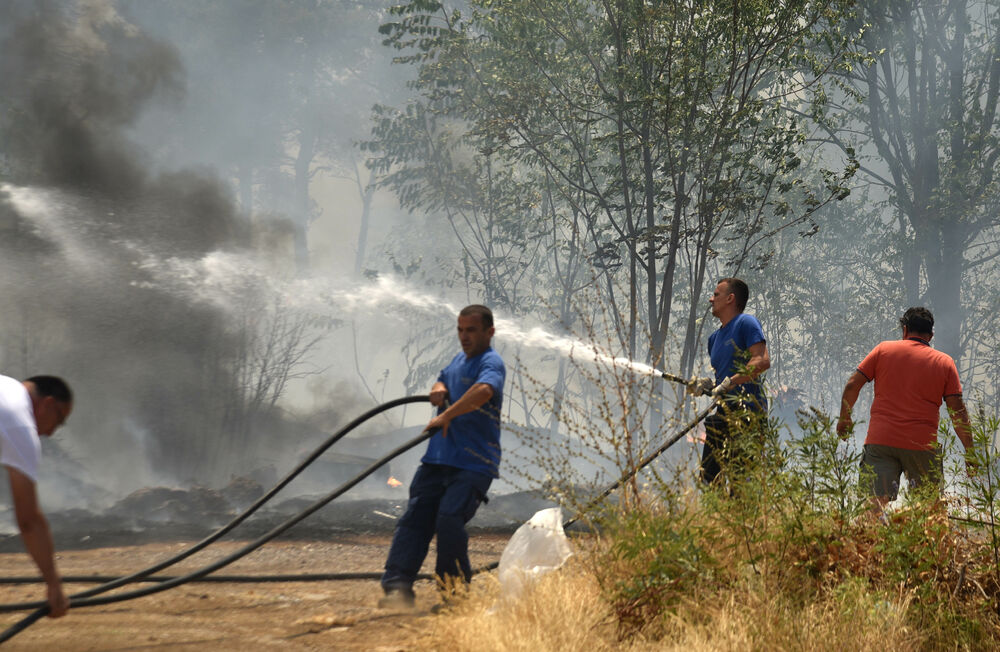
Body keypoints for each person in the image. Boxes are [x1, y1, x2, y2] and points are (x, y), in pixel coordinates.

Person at [379, 305, 506, 609]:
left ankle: (454, 595)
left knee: (449, 520)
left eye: (471, 330)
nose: (464, 336)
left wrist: (446, 414)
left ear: (489, 332)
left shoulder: (492, 362)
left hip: (474, 463)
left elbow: (484, 391)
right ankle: (397, 587)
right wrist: (438, 387)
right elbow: (443, 379)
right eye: (460, 330)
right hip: (437, 460)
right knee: (415, 519)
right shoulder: (457, 361)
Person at [837, 307, 973, 515]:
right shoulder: (944, 363)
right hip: (922, 445)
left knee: (872, 509)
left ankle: (868, 544)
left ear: (905, 329)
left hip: (881, 441)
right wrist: (969, 451)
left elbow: (852, 386)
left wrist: (844, 420)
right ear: (931, 335)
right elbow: (958, 413)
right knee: (928, 512)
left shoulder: (883, 350)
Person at [0, 374, 73, 618]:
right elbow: (29, 520)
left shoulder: (6, 386)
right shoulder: (20, 425)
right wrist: (54, 584)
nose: (52, 433)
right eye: (59, 420)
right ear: (48, 405)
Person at [688, 278, 770, 486]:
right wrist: (708, 384)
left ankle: (741, 516)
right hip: (724, 412)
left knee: (740, 481)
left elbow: (761, 361)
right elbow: (722, 376)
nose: (710, 299)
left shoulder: (746, 323)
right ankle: (716, 518)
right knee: (708, 480)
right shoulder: (714, 339)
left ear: (730, 298)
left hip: (747, 412)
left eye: (716, 294)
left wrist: (730, 382)